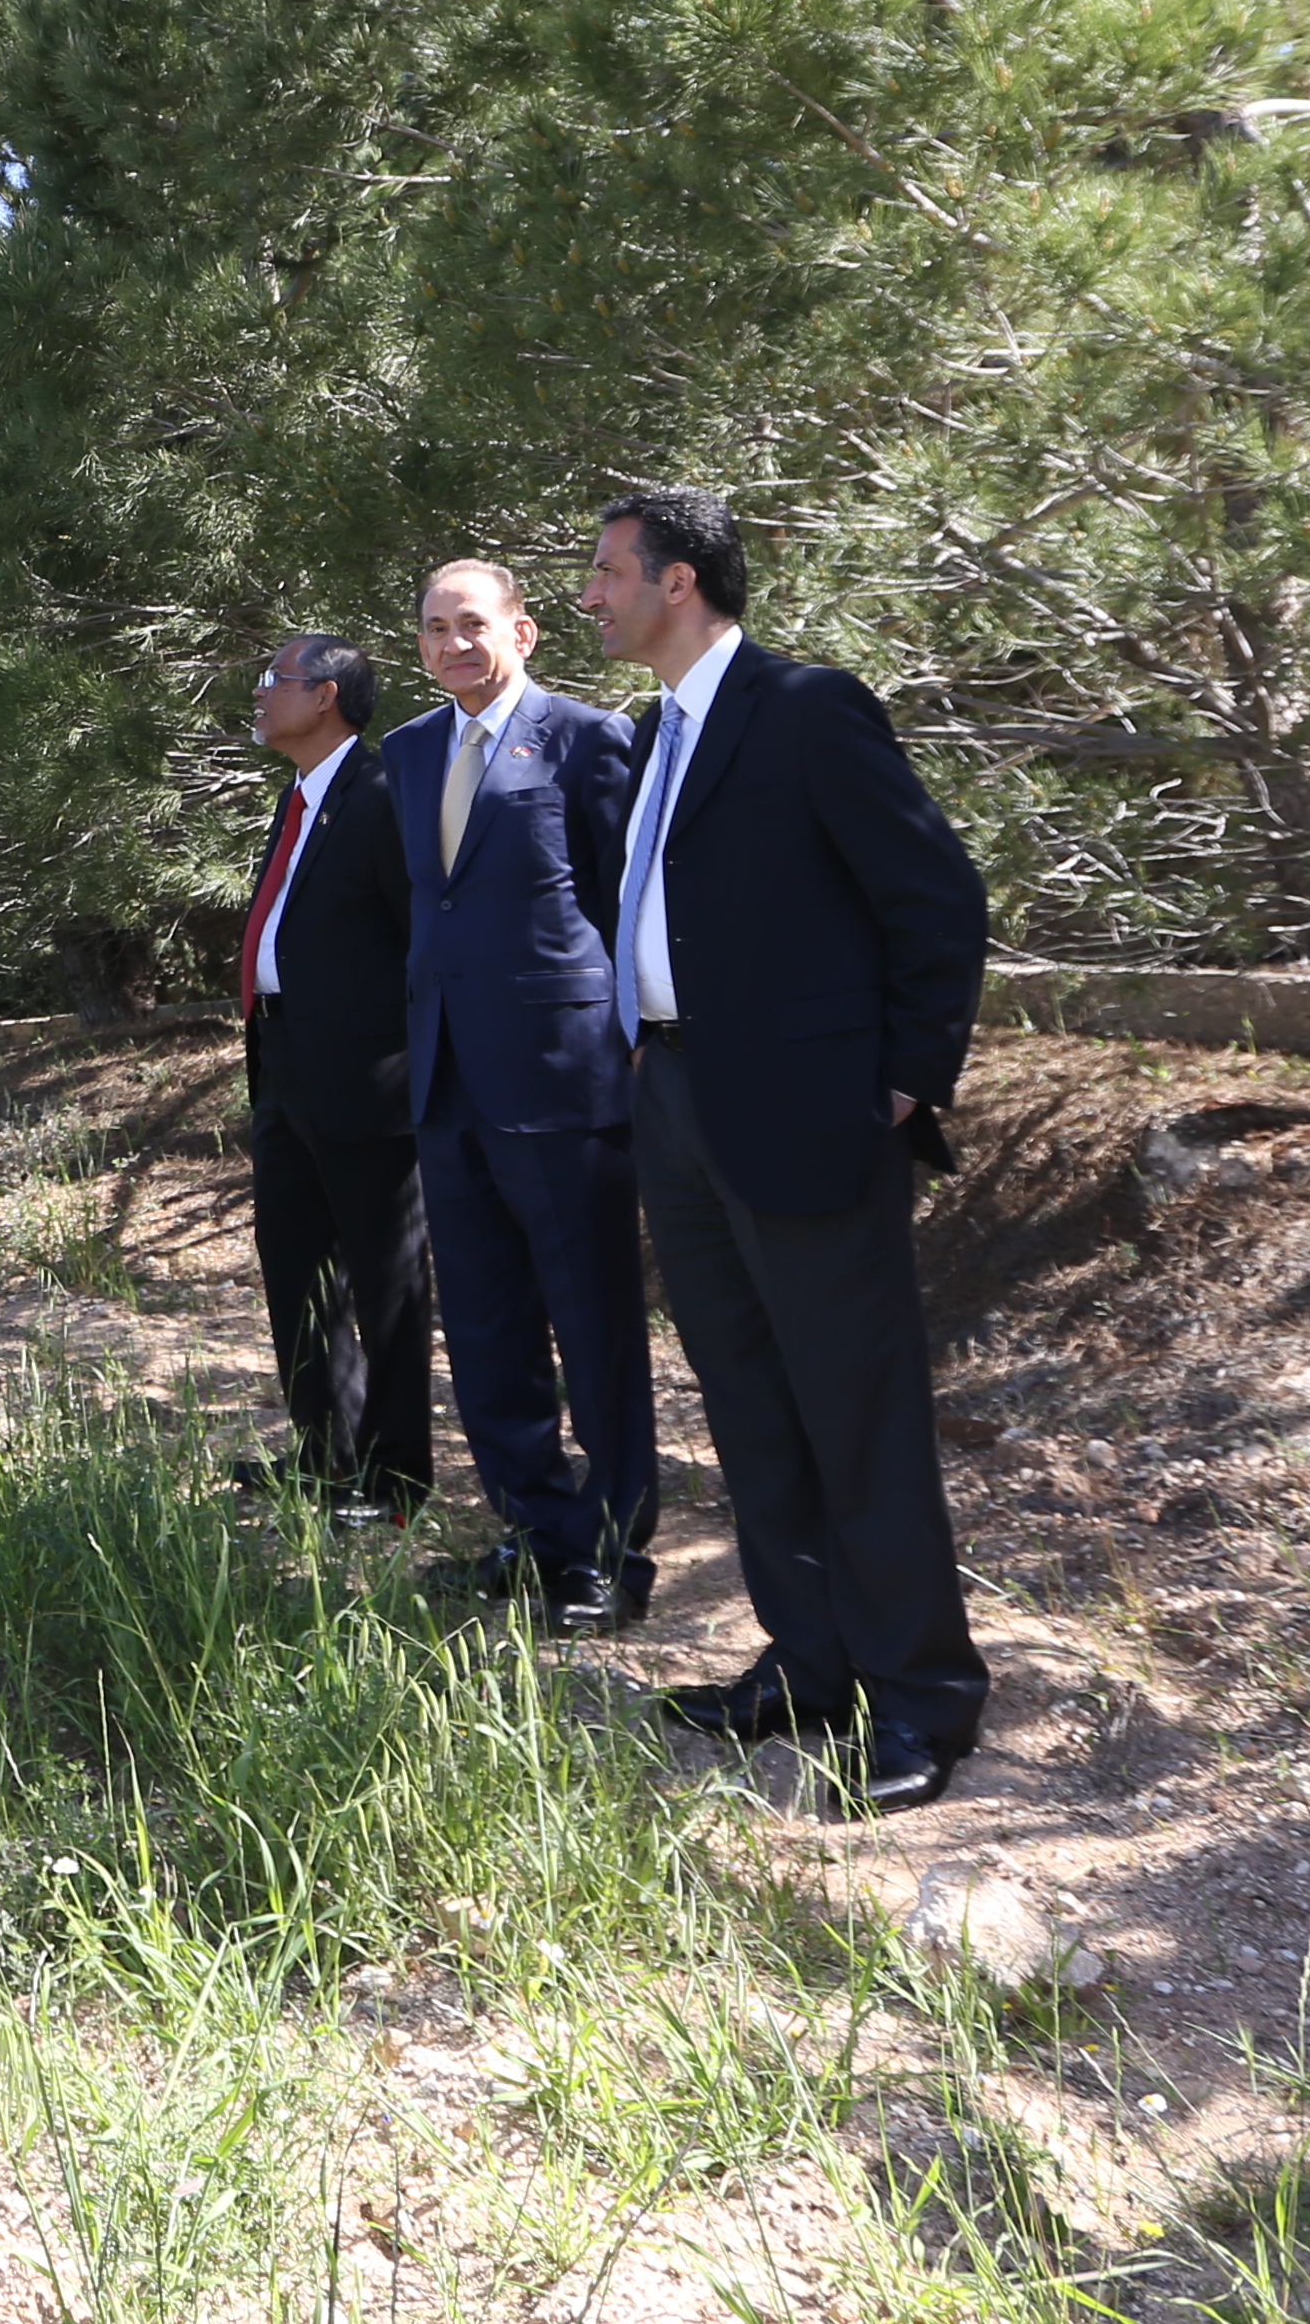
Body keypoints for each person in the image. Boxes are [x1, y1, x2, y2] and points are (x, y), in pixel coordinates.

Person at [582, 485, 996, 1811]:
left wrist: (900, 1080)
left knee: (857, 1418)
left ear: (680, 581)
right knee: (753, 1408)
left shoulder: (808, 709)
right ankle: (810, 1666)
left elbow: (936, 895)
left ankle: (923, 1700)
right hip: (679, 1106)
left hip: (810, 1116)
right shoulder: (657, 733)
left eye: (606, 572)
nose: (590, 596)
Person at [389, 558, 652, 1629]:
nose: (454, 643)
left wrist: (631, 1041)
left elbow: (625, 901)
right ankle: (538, 1537)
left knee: (592, 1328)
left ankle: (617, 1555)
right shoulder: (406, 754)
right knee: (488, 1331)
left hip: (560, 1078)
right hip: (448, 1082)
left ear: (525, 632)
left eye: (473, 624)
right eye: (434, 629)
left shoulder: (589, 741)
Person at [234, 630, 431, 1515]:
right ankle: (326, 1453)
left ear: (325, 696)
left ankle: (394, 1478)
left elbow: (421, 942)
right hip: (283, 1069)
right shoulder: (297, 799)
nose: (259, 693)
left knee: (384, 1282)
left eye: (273, 680)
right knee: (296, 1267)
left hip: (368, 1081)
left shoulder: (383, 794)